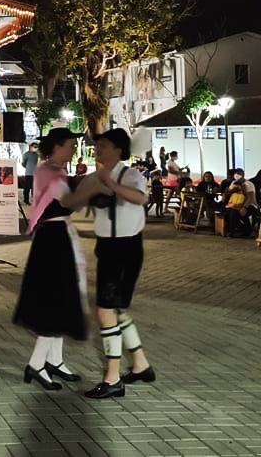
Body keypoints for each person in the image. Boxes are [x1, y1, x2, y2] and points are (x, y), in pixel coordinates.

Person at [14, 128, 100, 391]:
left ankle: (55, 360)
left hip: (57, 237)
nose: (74, 148)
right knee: (57, 299)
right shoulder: (48, 172)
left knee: (65, 297)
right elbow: (69, 201)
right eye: (71, 144)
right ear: (57, 147)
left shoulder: (52, 170)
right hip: (53, 240)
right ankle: (37, 363)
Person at [74, 128, 154, 399]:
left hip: (126, 248)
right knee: (115, 309)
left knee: (106, 311)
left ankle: (112, 378)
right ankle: (141, 365)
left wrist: (110, 182)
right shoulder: (94, 178)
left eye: (104, 145)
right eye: (98, 145)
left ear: (118, 149)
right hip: (106, 247)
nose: (98, 149)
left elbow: (140, 198)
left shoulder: (131, 175)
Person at [221, 168, 258, 237]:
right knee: (226, 212)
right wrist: (230, 191)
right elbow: (227, 192)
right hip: (235, 203)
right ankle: (242, 229)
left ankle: (236, 232)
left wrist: (244, 207)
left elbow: (250, 198)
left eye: (239, 174)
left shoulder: (248, 184)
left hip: (249, 205)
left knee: (235, 212)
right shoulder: (233, 183)